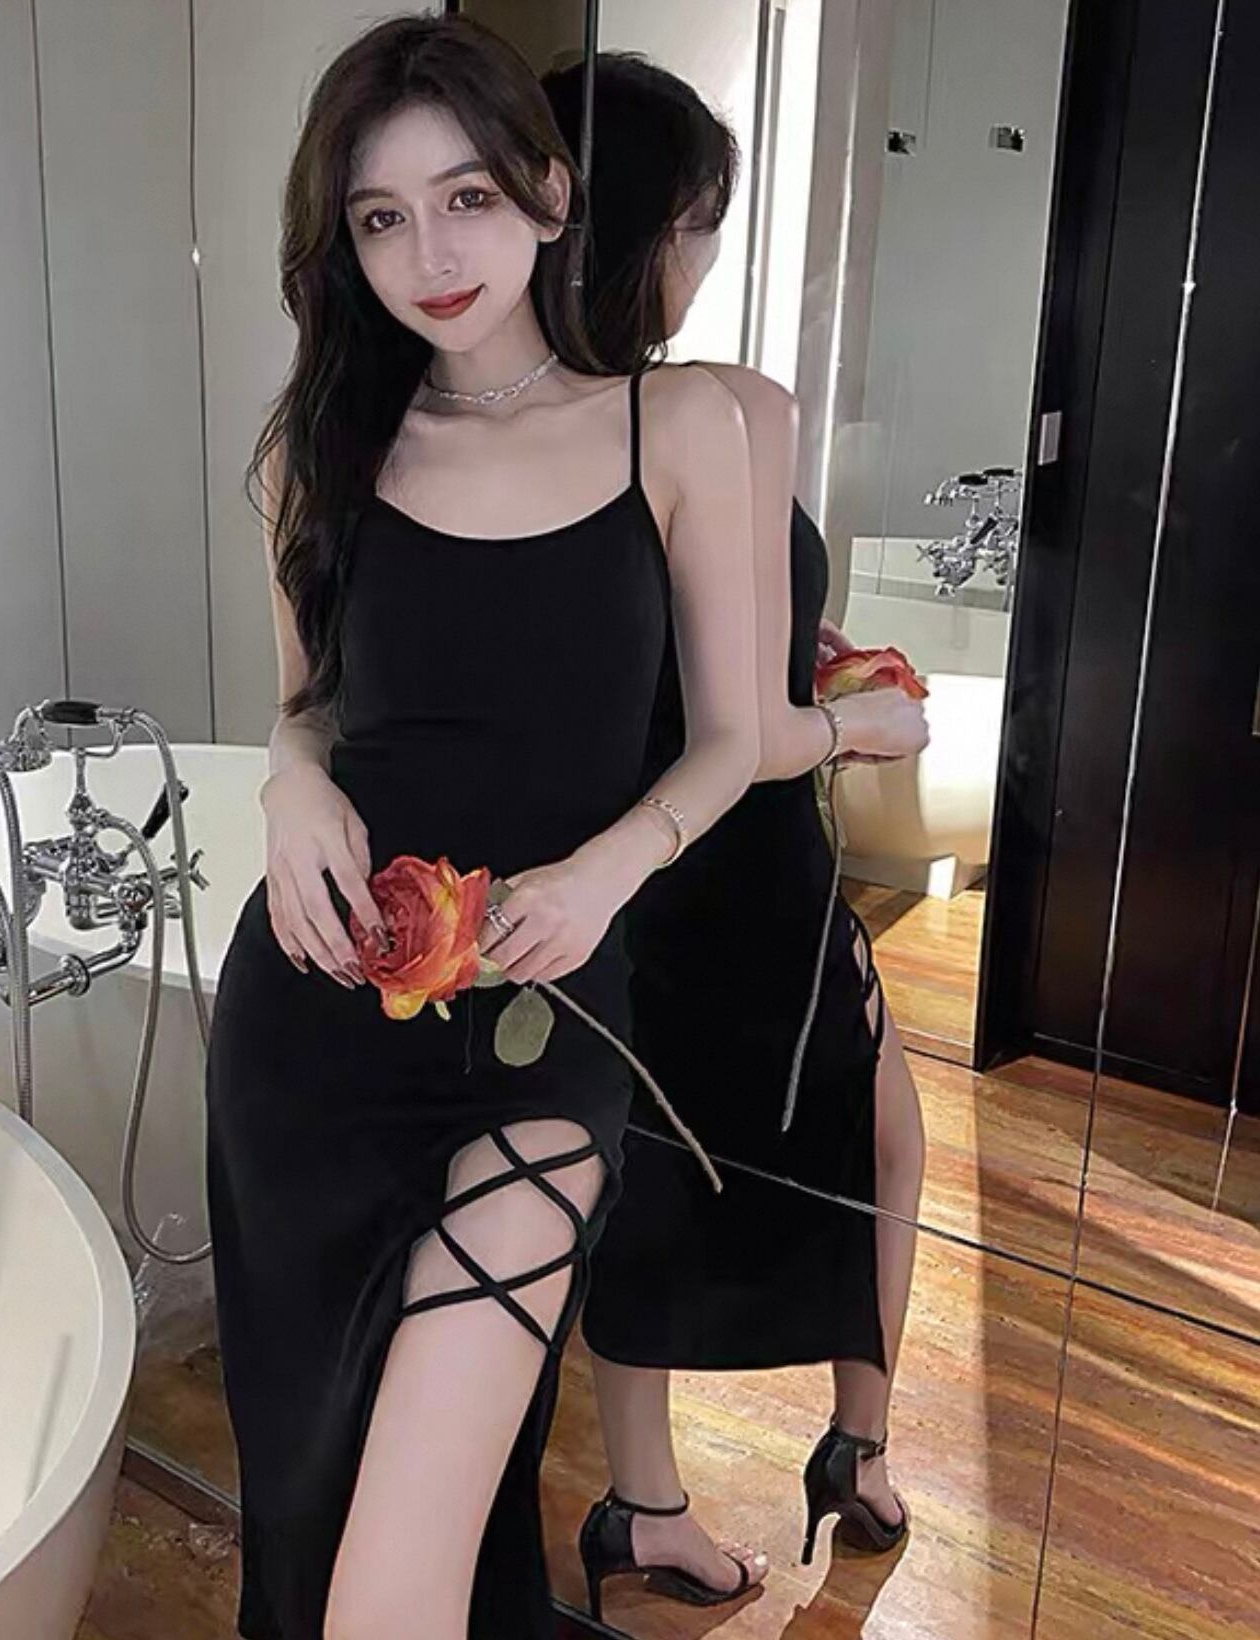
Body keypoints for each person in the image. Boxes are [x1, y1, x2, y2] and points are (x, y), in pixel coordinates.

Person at [202, 16, 775, 1640]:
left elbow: (734, 739)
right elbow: (310, 708)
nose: (431, 257)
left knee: (395, 1572)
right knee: (316, 1507)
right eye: (381, 219)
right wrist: (289, 780)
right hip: (314, 1024)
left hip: (550, 1021)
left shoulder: (678, 428)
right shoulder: (318, 449)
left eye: (465, 199)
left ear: (547, 189)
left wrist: (609, 867)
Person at [541, 53, 930, 1618]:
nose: (705, 256)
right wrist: (861, 726)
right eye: (702, 222)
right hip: (742, 857)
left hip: (612, 865)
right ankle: (861, 1450)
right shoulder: (717, 410)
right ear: (655, 227)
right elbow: (744, 728)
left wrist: (801, 654)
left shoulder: (510, 426)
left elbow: (664, 652)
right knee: (877, 1136)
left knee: (640, 1169)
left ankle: (647, 1501)